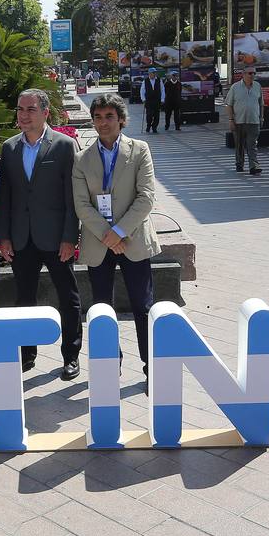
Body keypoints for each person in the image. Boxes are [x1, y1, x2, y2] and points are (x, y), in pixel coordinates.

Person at [74, 94, 161, 375]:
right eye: (98, 117)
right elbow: (81, 204)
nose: (103, 123)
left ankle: (151, 367)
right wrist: (107, 235)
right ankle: (110, 366)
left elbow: (146, 197)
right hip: (99, 243)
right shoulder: (82, 159)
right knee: (102, 310)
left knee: (143, 306)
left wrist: (120, 231)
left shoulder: (139, 151)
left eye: (109, 116)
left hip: (132, 240)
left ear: (121, 120)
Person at [0, 89, 82, 381]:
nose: (23, 115)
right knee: (24, 299)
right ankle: (27, 355)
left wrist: (70, 237)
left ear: (46, 113)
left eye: (30, 109)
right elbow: (6, 196)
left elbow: (73, 197)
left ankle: (71, 356)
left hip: (57, 238)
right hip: (22, 239)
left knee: (68, 297)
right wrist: (4, 236)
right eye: (20, 109)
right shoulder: (9, 148)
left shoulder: (64, 145)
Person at [228, 65, 263, 175]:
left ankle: (254, 166)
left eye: (254, 73)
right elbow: (229, 105)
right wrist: (230, 120)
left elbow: (261, 104)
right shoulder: (235, 87)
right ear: (243, 74)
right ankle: (239, 163)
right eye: (250, 73)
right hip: (239, 121)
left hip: (254, 121)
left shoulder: (258, 86)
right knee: (239, 145)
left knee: (252, 145)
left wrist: (261, 117)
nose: (252, 75)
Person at [140, 68, 164, 133]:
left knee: (157, 115)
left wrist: (162, 99)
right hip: (149, 101)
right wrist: (143, 99)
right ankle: (148, 126)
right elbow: (142, 91)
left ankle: (154, 127)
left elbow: (162, 90)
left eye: (155, 73)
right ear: (150, 74)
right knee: (149, 115)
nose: (155, 74)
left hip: (157, 100)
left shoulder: (159, 80)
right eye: (153, 73)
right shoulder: (145, 81)